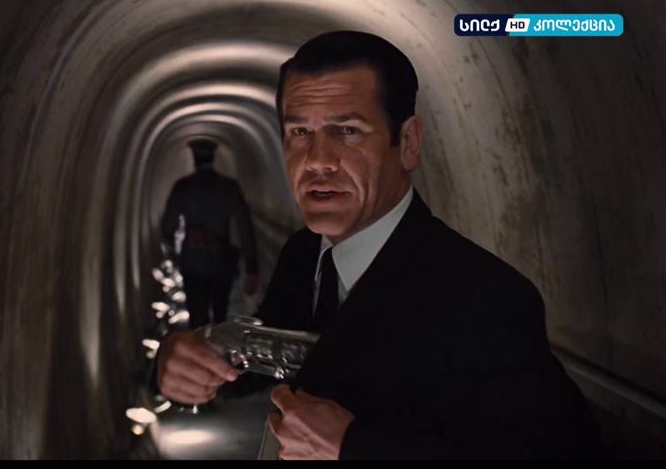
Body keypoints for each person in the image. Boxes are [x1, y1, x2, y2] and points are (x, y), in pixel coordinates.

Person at [155, 31, 604, 459]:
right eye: (300, 133)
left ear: (407, 143)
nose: (317, 161)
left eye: (348, 131)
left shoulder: (486, 298)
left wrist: (356, 447)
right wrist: (188, 360)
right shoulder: (303, 255)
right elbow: (289, 357)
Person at [160, 138, 260, 329]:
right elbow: (245, 227)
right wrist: (252, 267)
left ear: (194, 159)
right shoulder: (229, 187)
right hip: (222, 259)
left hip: (193, 260)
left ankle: (199, 343)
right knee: (220, 313)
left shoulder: (183, 187)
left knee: (197, 316)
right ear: (212, 158)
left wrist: (176, 256)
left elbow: (168, 226)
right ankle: (216, 343)